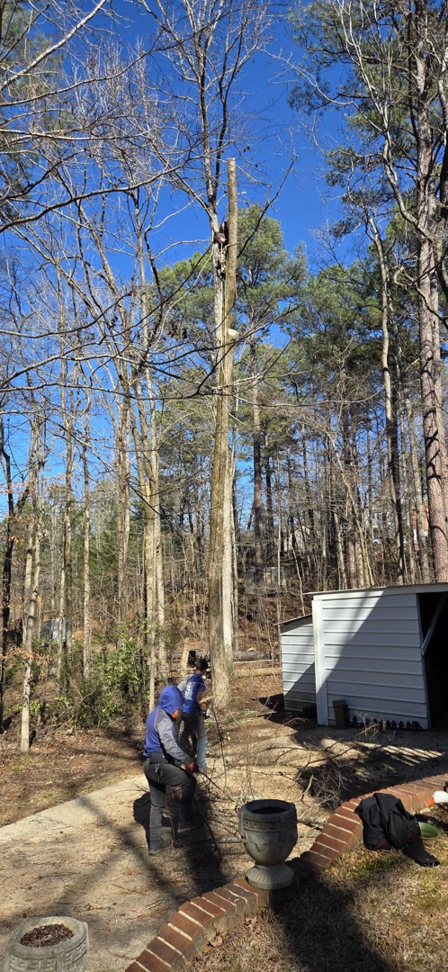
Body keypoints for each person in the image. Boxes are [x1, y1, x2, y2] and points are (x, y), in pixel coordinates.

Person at [143, 684, 199, 856]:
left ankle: (155, 843)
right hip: (158, 766)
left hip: (149, 765)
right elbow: (169, 746)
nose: (177, 711)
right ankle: (185, 821)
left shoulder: (155, 714)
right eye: (176, 708)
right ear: (169, 705)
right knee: (189, 782)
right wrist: (188, 761)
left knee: (156, 804)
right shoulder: (164, 720)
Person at [178, 657, 208, 775]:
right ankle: (201, 766)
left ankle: (177, 759)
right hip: (194, 712)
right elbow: (198, 699)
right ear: (204, 669)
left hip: (185, 710)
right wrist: (204, 706)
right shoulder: (200, 681)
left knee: (185, 735)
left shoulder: (190, 679)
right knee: (202, 738)